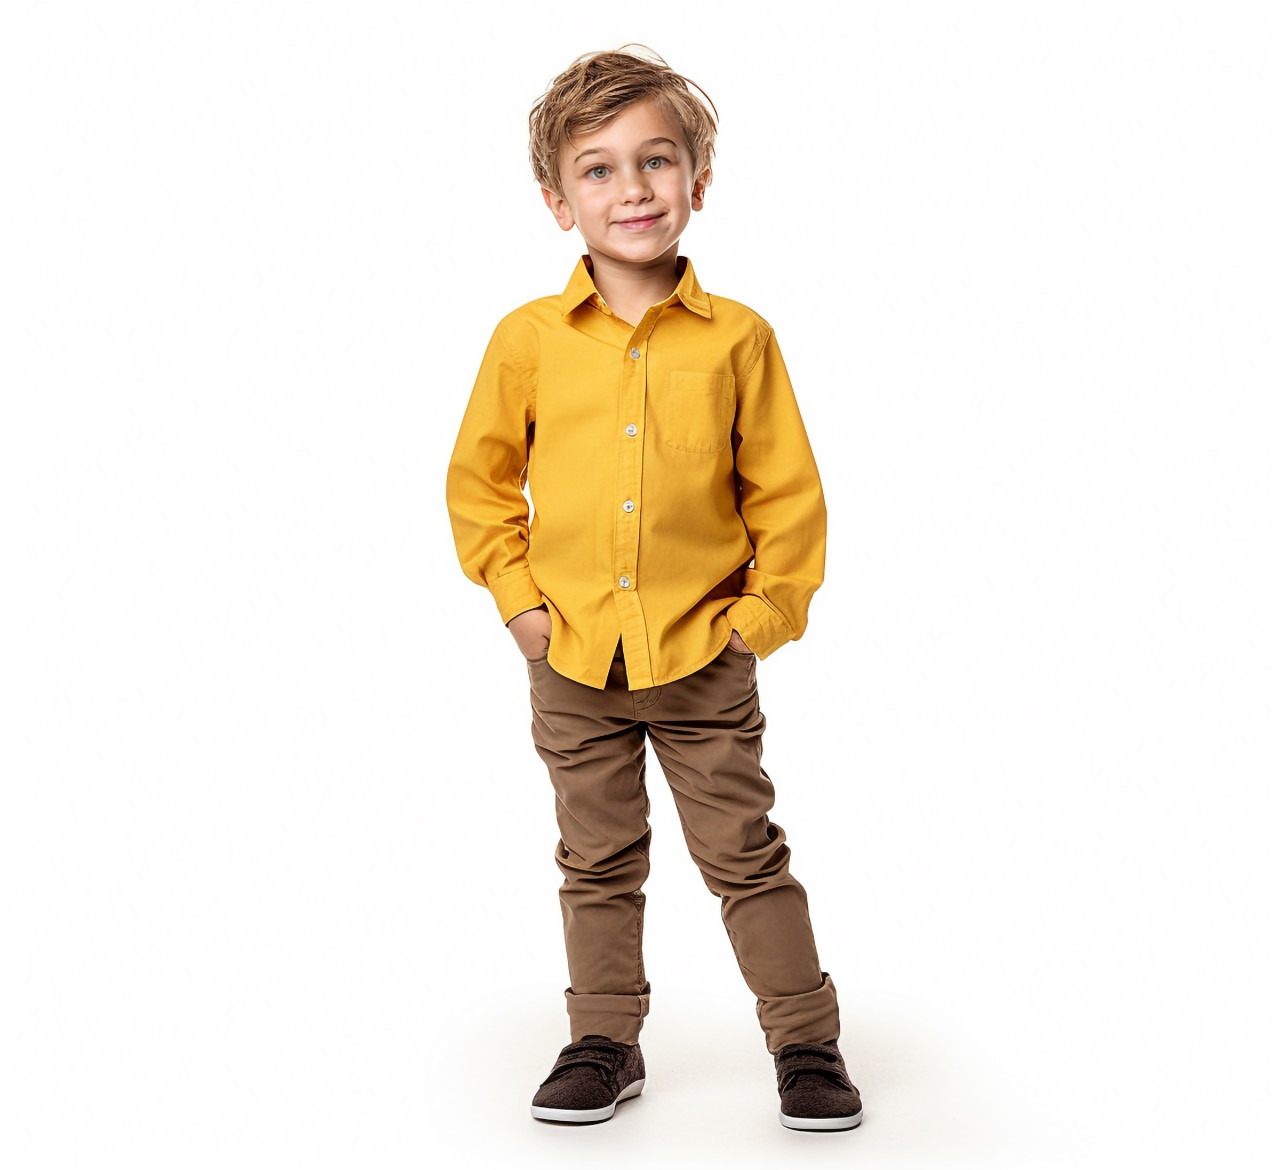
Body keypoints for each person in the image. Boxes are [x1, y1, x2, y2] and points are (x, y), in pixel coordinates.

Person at [444, 45, 862, 1132]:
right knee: (594, 859)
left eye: (655, 160)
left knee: (743, 855)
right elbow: (480, 485)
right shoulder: (525, 342)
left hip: (698, 657)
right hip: (572, 659)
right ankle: (603, 1038)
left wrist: (757, 623)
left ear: (696, 182)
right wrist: (522, 608)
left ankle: (805, 1042)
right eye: (596, 169)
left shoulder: (738, 340)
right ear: (556, 200)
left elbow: (786, 496)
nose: (629, 188)